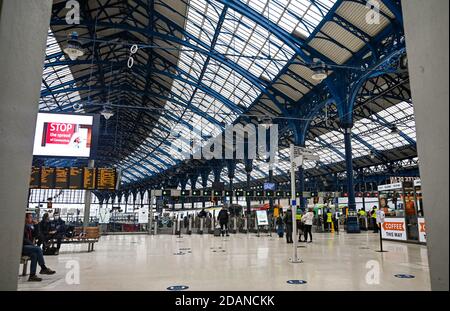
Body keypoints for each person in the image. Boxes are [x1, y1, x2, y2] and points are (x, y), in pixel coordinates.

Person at [22, 213, 56, 282]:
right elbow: (23, 239)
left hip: (28, 247)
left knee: (34, 255)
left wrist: (36, 225)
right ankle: (43, 268)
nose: (32, 219)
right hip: (22, 247)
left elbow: (36, 235)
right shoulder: (22, 226)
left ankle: (32, 276)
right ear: (25, 218)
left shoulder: (29, 226)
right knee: (38, 248)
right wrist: (32, 245)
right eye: (30, 217)